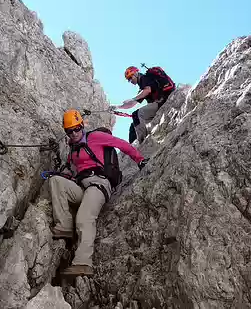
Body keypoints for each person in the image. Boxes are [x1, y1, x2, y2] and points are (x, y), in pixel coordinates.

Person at [47, 109, 148, 277]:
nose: (73, 133)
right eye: (69, 131)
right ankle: (64, 226)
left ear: (81, 126)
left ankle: (83, 263)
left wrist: (140, 159)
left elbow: (121, 144)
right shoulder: (73, 150)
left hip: (99, 184)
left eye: (76, 129)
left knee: (85, 218)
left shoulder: (95, 137)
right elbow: (74, 172)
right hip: (83, 187)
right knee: (55, 181)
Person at [111, 66, 176, 144]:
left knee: (136, 115)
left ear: (135, 73)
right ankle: (133, 145)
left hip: (162, 102)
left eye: (130, 78)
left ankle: (141, 142)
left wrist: (133, 98)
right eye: (128, 79)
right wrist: (117, 107)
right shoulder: (143, 85)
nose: (130, 81)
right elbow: (132, 103)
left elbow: (147, 90)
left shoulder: (144, 79)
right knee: (133, 126)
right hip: (160, 103)